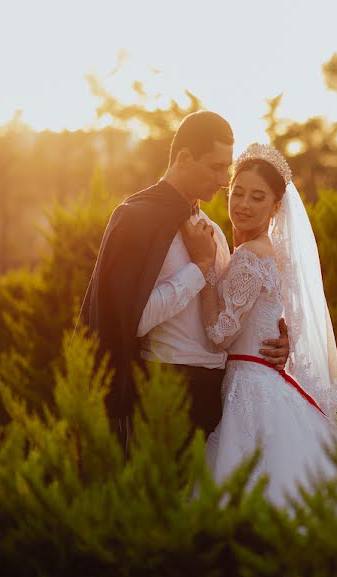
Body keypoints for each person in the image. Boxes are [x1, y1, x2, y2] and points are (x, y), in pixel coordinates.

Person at [77, 112, 290, 456]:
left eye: (227, 169)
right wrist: (198, 269)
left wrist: (279, 337)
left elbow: (231, 309)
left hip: (220, 395)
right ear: (185, 158)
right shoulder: (135, 218)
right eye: (216, 167)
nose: (224, 181)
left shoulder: (213, 231)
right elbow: (130, 320)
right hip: (166, 388)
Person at [200, 144, 337, 506]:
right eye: (238, 192)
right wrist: (285, 337)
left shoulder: (250, 255)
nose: (243, 204)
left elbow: (218, 336)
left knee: (245, 490)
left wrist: (204, 271)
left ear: (276, 206)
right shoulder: (270, 252)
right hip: (266, 379)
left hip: (247, 389)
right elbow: (280, 316)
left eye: (257, 197)